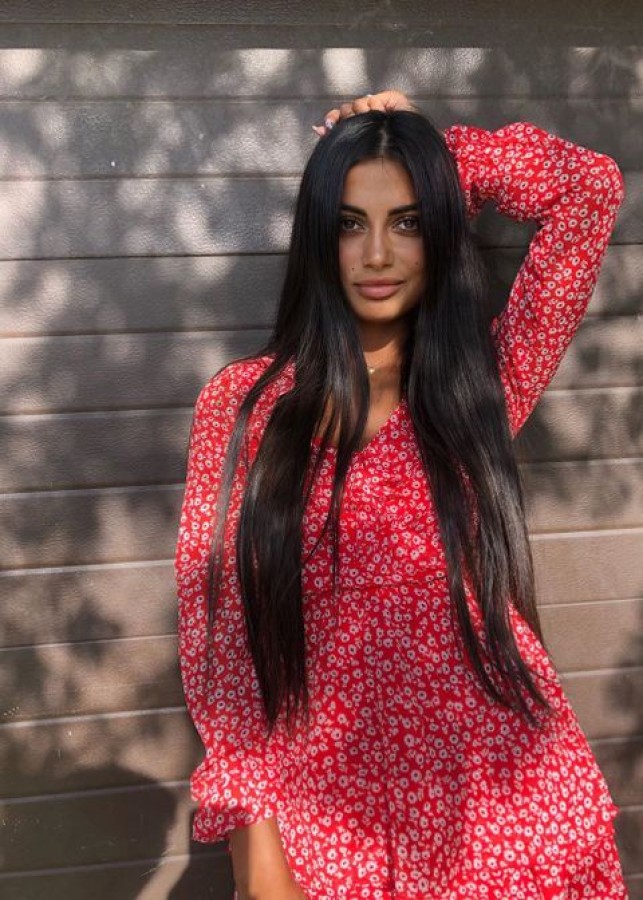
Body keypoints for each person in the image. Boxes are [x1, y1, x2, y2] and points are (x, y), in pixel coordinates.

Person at [175, 90, 627, 899]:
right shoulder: (244, 406)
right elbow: (222, 640)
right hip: (331, 822)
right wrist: (257, 841)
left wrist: (444, 155)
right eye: (350, 223)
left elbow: (587, 189)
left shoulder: (479, 389)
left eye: (408, 221)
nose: (377, 253)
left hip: (505, 807)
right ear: (318, 238)